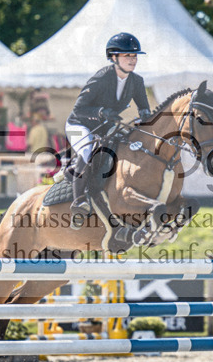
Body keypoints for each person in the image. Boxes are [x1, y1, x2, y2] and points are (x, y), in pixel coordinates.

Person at [66, 32, 153, 225]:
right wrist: (101, 112)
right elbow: (78, 109)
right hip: (80, 124)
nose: (133, 60)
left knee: (125, 147)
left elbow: (145, 109)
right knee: (87, 151)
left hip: (106, 127)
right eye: (127, 56)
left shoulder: (137, 81)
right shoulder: (102, 78)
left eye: (134, 56)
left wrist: (147, 118)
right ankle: (79, 201)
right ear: (114, 57)